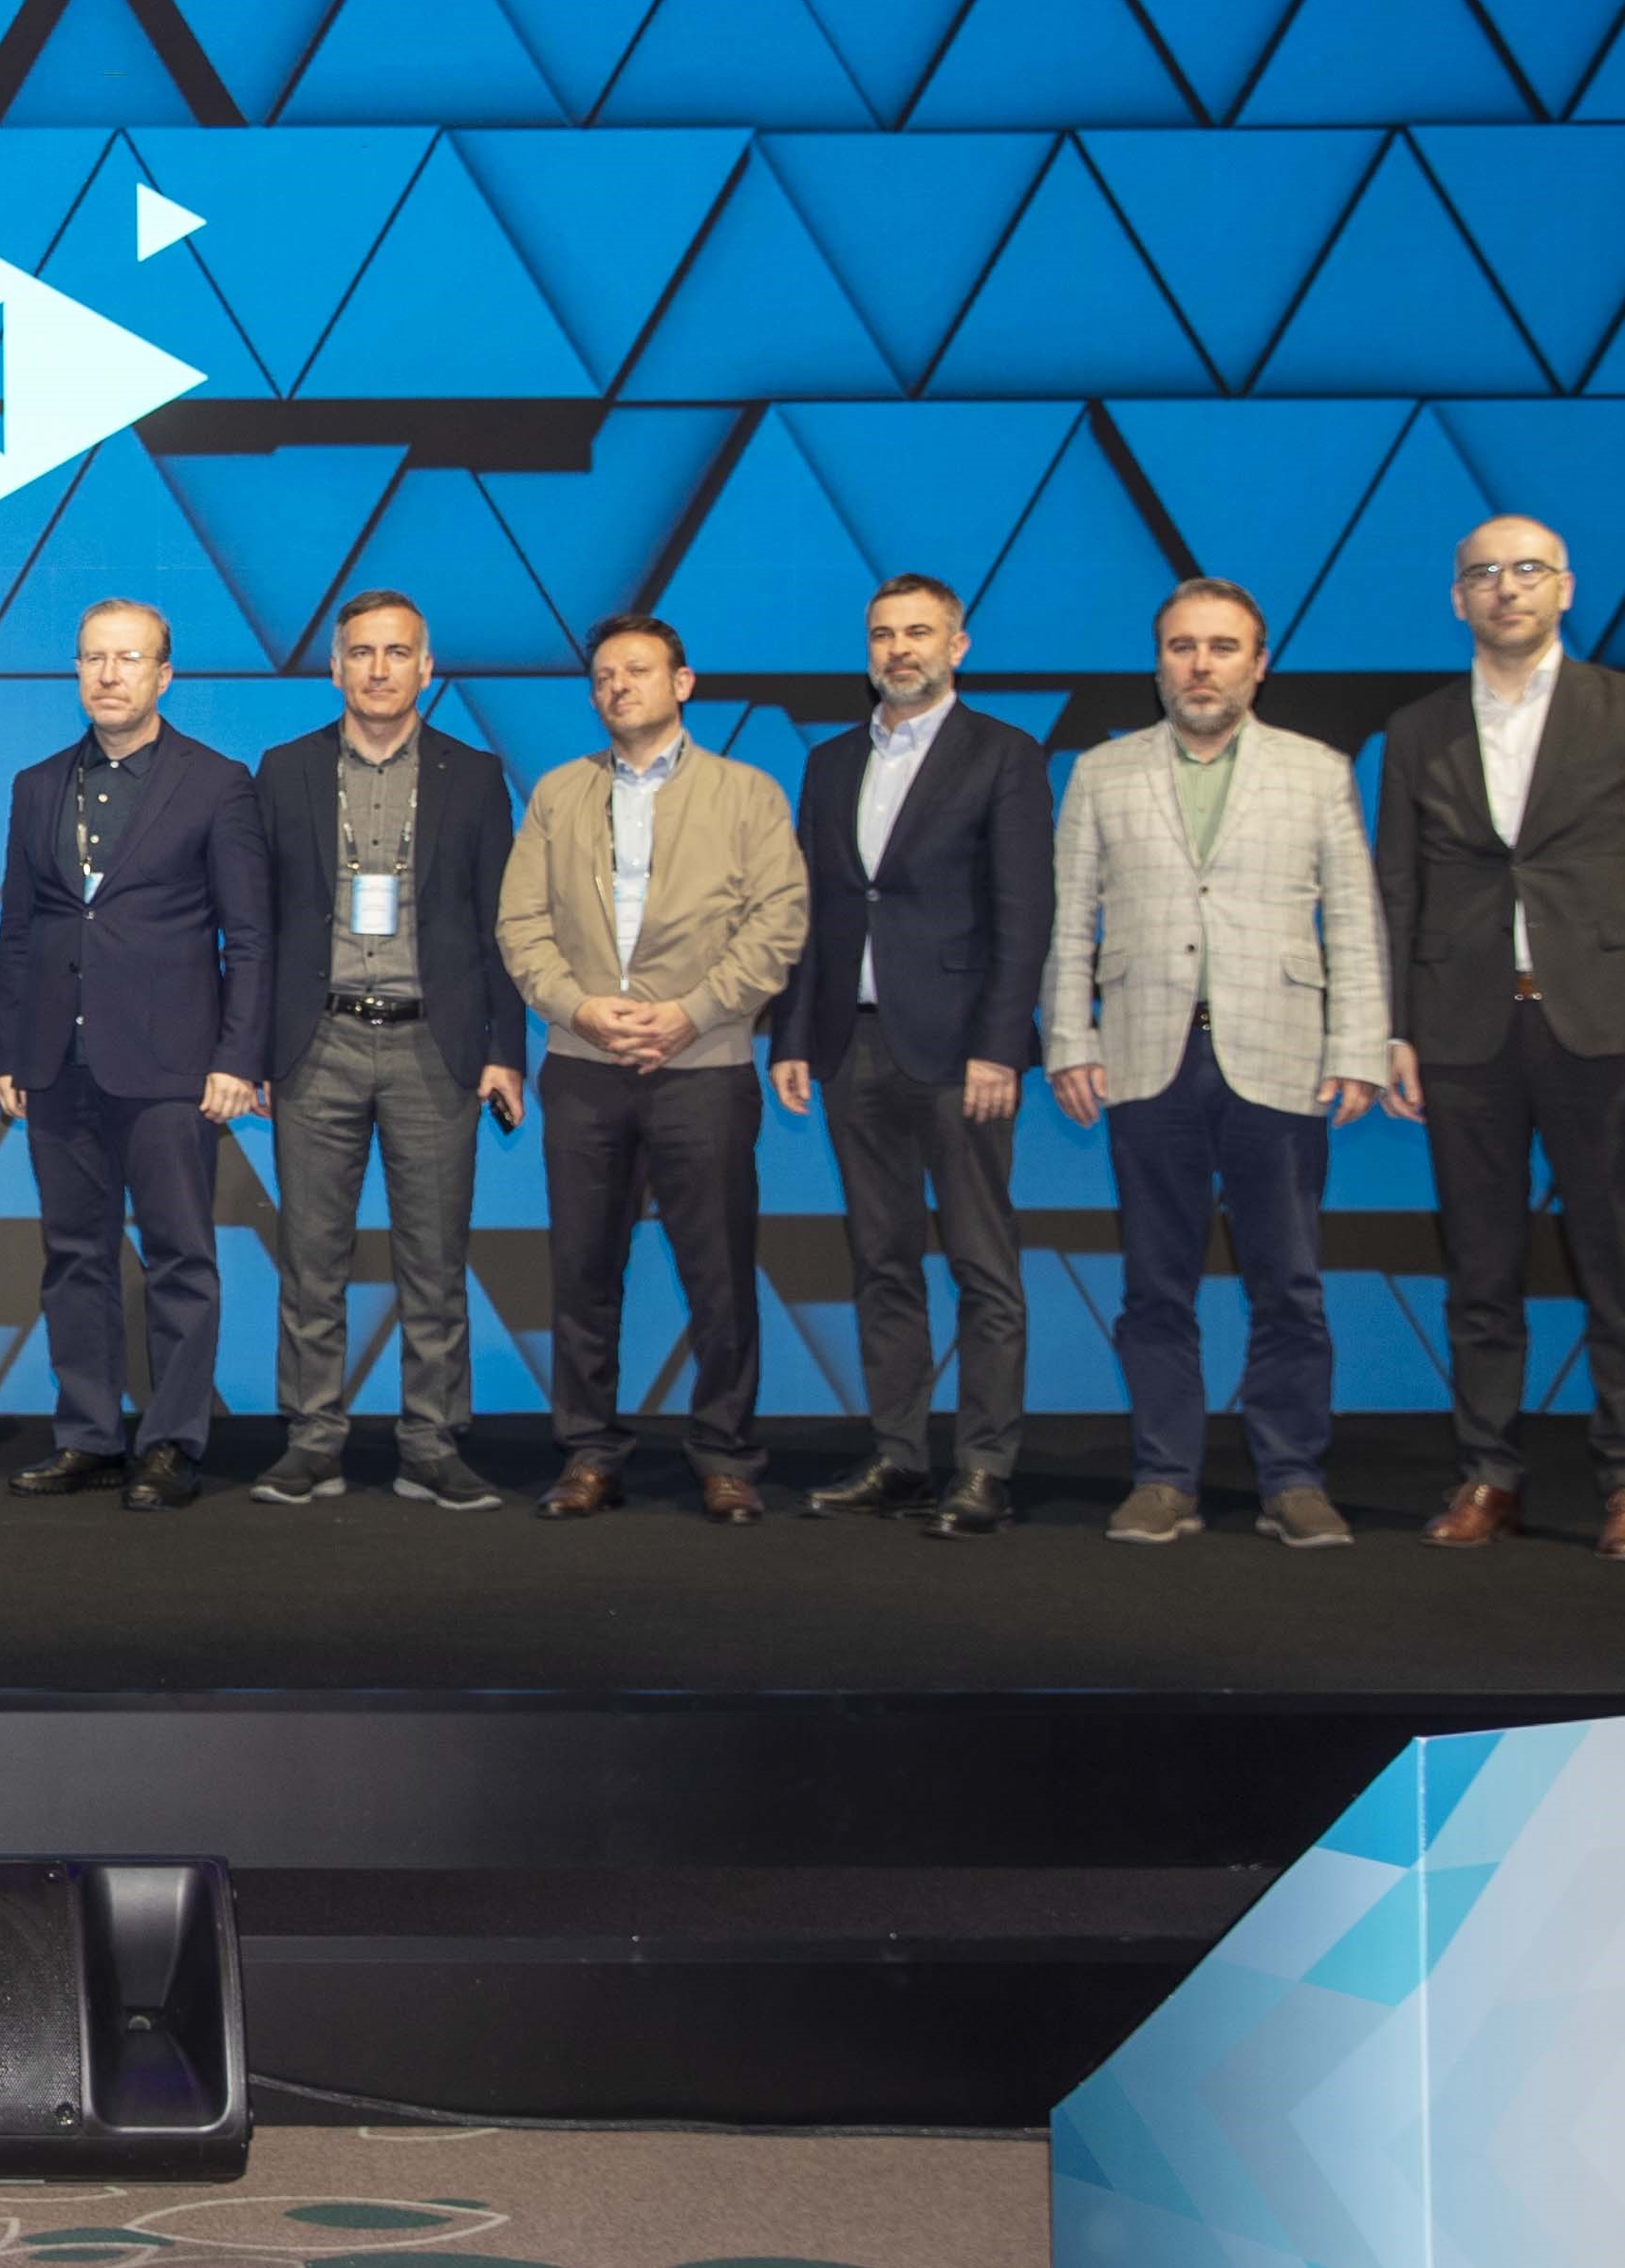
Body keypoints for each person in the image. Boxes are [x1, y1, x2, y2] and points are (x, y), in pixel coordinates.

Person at [1378, 515, 1625, 1564]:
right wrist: (1392, 1029)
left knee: (1617, 1261)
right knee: (1481, 1268)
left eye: (1527, 570)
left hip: (1605, 1022)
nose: (1506, 587)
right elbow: (1397, 887)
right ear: (1458, 599)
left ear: (1564, 587)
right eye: (1484, 573)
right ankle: (1489, 1474)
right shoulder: (1418, 728)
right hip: (1461, 1029)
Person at [1047, 576, 1389, 1550]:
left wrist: (1358, 1045)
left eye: (1222, 647)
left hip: (1282, 1054)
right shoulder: (1102, 772)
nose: (1201, 666)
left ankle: (1293, 1479)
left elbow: (1353, 919)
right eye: (1182, 646)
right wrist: (1068, 1037)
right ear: (1159, 661)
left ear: (1259, 664)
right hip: (1142, 1054)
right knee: (1156, 1287)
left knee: (1290, 1285)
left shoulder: (1317, 771)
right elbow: (1070, 920)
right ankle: (1165, 1478)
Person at [494, 612, 806, 1525]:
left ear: (683, 683)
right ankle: (589, 1454)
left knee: (720, 1274)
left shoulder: (747, 794)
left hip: (703, 1066)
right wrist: (580, 1008)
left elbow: (777, 923)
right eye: (603, 676)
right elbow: (521, 925)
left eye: (637, 670)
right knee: (582, 1274)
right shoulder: (558, 793)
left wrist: (690, 1013)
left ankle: (726, 1456)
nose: (618, 687)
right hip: (585, 1067)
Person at [770, 574, 1051, 1539]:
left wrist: (1000, 1046)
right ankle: (900, 1457)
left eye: (919, 632)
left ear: (957, 646)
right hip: (852, 1045)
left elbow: (1025, 914)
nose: (900, 649)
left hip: (962, 1052)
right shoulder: (832, 762)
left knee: (982, 1264)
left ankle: (984, 1467)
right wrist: (794, 1035)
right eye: (884, 634)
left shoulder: (1004, 754)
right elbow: (813, 911)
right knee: (882, 1261)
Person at [0, 599, 273, 1511]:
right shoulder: (37, 784)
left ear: (164, 675)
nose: (108, 675)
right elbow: (22, 931)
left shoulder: (217, 783)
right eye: (93, 659)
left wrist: (237, 1058)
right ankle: (88, 1436)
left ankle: (171, 1443)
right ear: (76, 671)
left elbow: (249, 937)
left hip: (172, 1069)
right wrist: (10, 1052)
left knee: (179, 1258)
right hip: (56, 1064)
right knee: (74, 1257)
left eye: (128, 659)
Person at [251, 591, 520, 1512]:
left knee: (435, 1263)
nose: (378, 669)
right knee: (310, 1259)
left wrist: (506, 1050)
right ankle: (313, 1439)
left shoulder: (473, 776)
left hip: (433, 1047)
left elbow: (500, 926)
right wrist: (252, 1049)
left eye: (397, 652)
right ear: (334, 668)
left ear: (426, 668)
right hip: (314, 1041)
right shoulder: (285, 770)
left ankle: (431, 1443)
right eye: (361, 652)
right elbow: (257, 925)